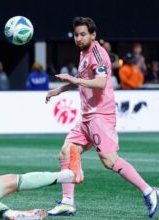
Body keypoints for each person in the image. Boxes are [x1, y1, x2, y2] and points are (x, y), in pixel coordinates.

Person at [45, 17, 158, 218]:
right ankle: (67, 202)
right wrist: (60, 90)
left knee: (109, 160)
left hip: (100, 116)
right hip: (87, 117)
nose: (78, 38)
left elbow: (100, 82)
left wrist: (73, 79)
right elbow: (83, 80)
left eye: (83, 34)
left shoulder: (97, 53)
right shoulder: (83, 53)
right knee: (66, 152)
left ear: (93, 35)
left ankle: (150, 191)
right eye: (76, 35)